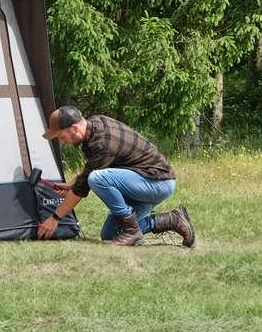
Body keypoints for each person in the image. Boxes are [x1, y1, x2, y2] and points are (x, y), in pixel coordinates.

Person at [35, 106, 195, 247]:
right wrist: (72, 183)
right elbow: (92, 166)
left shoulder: (102, 142)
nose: (62, 142)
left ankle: (132, 231)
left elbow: (82, 189)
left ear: (75, 128)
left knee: (96, 179)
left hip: (156, 183)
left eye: (62, 137)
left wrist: (55, 218)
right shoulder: (95, 124)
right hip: (143, 181)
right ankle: (172, 220)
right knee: (110, 236)